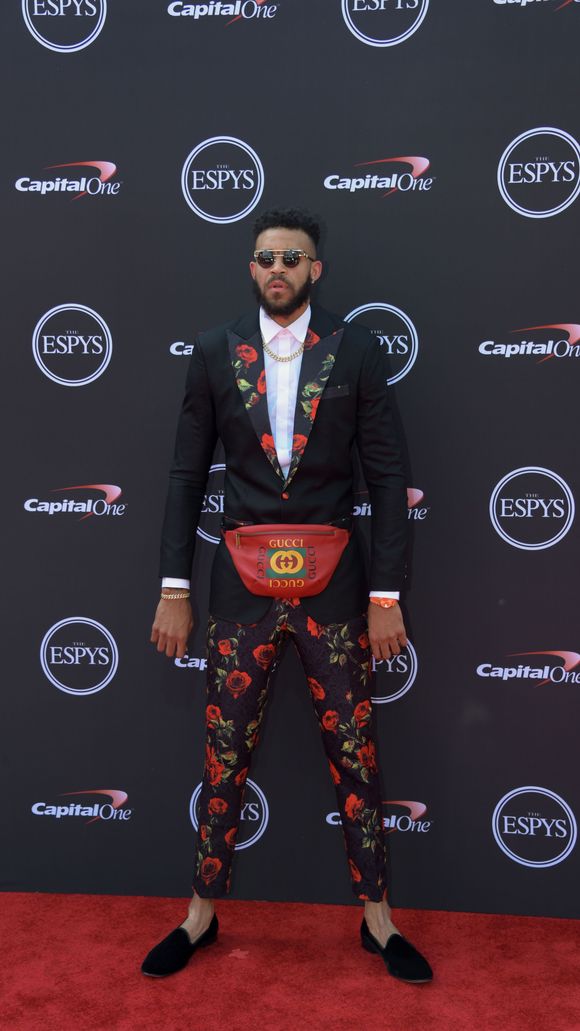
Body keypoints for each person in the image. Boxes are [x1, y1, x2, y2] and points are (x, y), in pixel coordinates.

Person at [141, 207, 433, 983]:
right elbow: (185, 473)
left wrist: (385, 596)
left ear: (315, 269)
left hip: (336, 588)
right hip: (239, 586)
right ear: (252, 267)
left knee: (356, 754)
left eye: (293, 258)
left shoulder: (357, 349)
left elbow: (389, 477)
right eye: (267, 257)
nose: (279, 268)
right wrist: (174, 586)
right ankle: (199, 914)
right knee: (223, 753)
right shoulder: (215, 350)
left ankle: (379, 920)